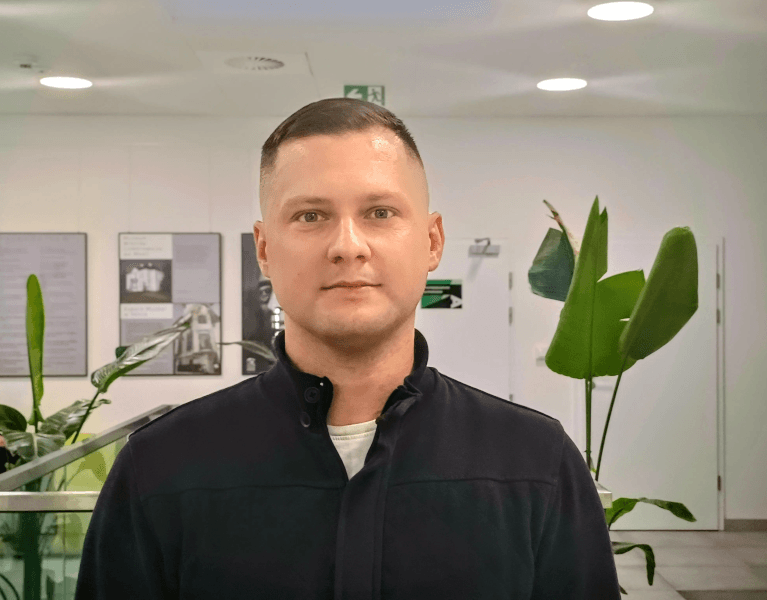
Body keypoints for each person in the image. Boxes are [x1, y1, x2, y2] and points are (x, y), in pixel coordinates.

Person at [75, 98, 621, 599]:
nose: (347, 246)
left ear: (431, 242)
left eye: (379, 213)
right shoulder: (160, 469)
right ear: (264, 249)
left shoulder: (535, 463)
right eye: (311, 216)